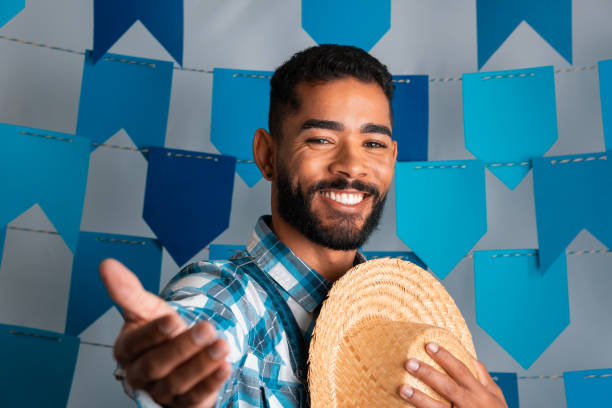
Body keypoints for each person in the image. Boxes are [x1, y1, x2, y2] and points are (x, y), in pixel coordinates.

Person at [101, 44, 508, 408]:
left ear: (392, 158)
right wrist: (172, 367)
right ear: (267, 156)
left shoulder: (403, 331)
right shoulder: (229, 298)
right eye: (321, 140)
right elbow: (199, 329)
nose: (352, 165)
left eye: (374, 144)